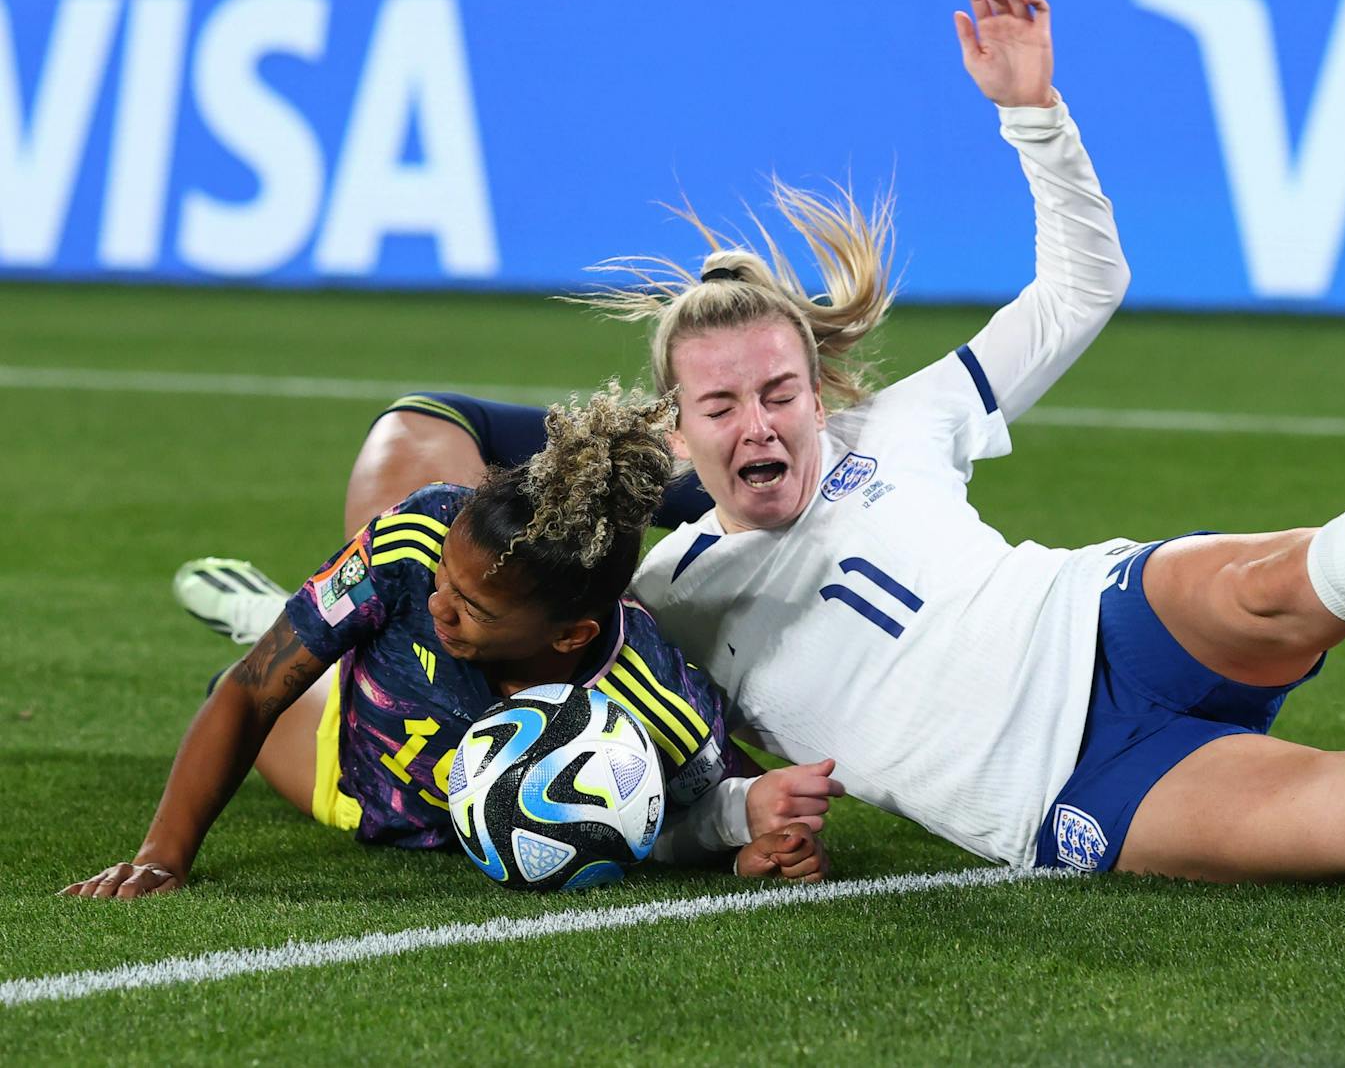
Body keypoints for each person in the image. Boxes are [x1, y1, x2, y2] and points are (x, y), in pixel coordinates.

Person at [175, 0, 1345, 889]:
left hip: (1089, 615)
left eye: (780, 389)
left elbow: (1084, 285)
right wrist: (738, 822)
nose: (761, 420)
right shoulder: (660, 589)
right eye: (722, 402)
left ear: (818, 385)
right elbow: (622, 766)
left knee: (1253, 586)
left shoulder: (908, 425)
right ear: (682, 422)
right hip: (1053, 793)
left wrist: (1033, 109)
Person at [66, 384, 841, 900]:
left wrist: (755, 844)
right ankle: (300, 616)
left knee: (333, 630)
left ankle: (317, 620)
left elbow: (713, 813)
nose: (438, 604)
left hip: (442, 808)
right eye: (444, 579)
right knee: (241, 679)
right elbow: (250, 690)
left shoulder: (657, 696)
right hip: (350, 762)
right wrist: (164, 853)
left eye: (470, 607)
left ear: (570, 634)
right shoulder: (414, 541)